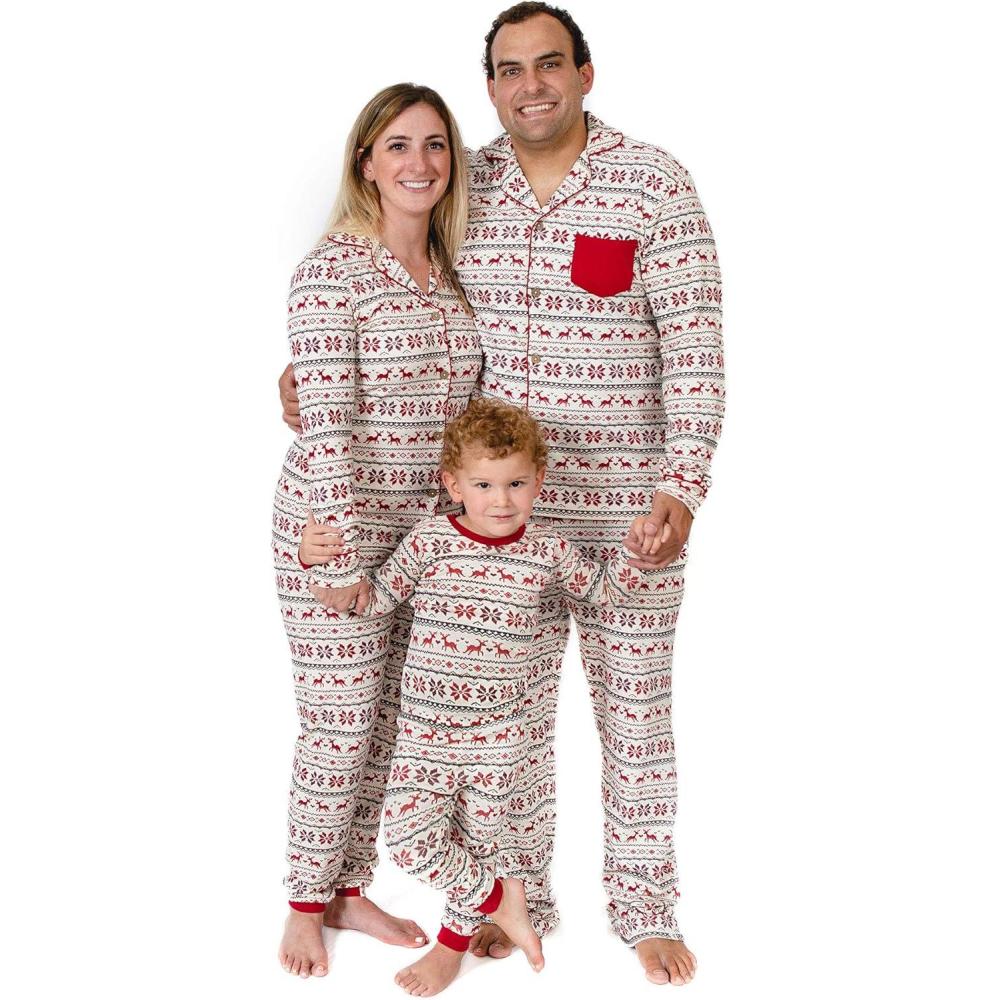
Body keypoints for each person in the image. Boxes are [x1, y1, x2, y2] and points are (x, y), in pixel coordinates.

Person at [279, 4, 724, 985]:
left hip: (627, 515)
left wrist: (682, 488)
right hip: (492, 515)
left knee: (637, 716)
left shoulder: (654, 183)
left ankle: (646, 909)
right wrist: (302, 380)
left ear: (585, 74)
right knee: (502, 738)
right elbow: (385, 305)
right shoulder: (463, 185)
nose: (531, 85)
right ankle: (508, 901)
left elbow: (696, 350)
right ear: (489, 86)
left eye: (549, 64)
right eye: (510, 69)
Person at [319, 399, 655, 995]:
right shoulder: (429, 541)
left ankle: (452, 946)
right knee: (409, 838)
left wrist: (638, 555)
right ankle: (503, 898)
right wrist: (330, 580)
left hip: (500, 739)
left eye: (516, 484)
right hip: (426, 733)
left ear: (538, 482)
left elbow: (604, 594)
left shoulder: (549, 550)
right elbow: (376, 600)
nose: (501, 500)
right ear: (453, 484)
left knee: (481, 839)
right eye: (483, 485)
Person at [273, 82, 482, 979]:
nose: (419, 163)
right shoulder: (333, 271)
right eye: (398, 145)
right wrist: (339, 556)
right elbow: (324, 425)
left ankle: (348, 888)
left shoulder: (451, 274)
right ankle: (302, 905)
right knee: (339, 722)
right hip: (335, 532)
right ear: (366, 163)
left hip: (420, 536)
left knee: (389, 722)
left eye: (435, 146)